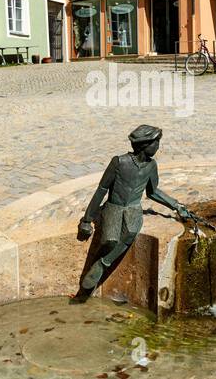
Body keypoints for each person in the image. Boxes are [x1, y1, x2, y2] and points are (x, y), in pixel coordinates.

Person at [73, 125, 191, 299]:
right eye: (156, 143)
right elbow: (101, 189)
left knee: (130, 231)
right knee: (110, 240)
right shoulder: (119, 162)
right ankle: (97, 267)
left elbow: (153, 192)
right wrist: (87, 219)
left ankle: (101, 265)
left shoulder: (151, 166)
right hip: (114, 207)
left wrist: (176, 205)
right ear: (145, 145)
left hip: (134, 209)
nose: (158, 146)